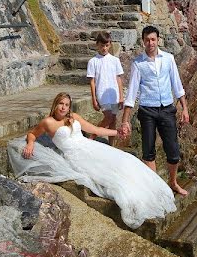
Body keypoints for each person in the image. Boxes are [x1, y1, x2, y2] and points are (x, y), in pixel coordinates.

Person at [18, 92, 176, 229]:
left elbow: (95, 130)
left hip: (90, 146)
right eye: (61, 104)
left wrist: (117, 132)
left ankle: (149, 194)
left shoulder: (73, 117)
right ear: (55, 104)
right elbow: (32, 134)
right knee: (109, 176)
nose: (63, 107)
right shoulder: (48, 122)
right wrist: (31, 143)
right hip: (75, 156)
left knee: (126, 160)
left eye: (66, 105)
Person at [118, 26, 189, 196]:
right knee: (148, 151)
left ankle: (172, 183)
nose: (150, 43)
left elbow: (177, 86)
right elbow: (132, 93)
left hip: (167, 109)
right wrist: (125, 120)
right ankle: (156, 189)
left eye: (153, 39)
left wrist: (185, 108)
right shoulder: (138, 63)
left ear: (158, 40)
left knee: (173, 151)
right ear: (143, 41)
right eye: (147, 40)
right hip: (147, 110)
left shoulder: (169, 59)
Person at [86, 31, 124, 143]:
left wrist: (121, 97)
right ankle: (92, 137)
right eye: (102, 45)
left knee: (113, 121)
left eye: (107, 45)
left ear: (110, 45)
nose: (104, 48)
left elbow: (118, 79)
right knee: (108, 117)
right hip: (102, 94)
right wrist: (94, 99)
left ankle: (111, 144)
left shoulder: (115, 60)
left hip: (114, 94)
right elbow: (92, 81)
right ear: (97, 45)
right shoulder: (93, 61)